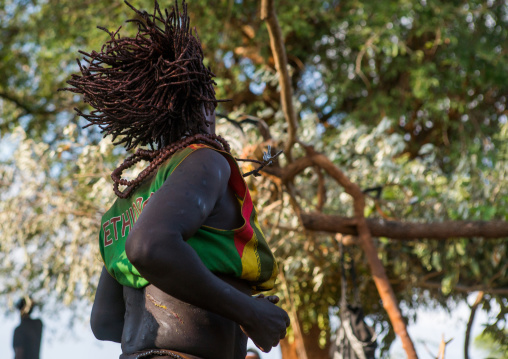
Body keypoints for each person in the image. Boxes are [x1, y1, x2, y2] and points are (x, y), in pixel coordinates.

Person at [62, 1, 290, 359]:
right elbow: (149, 247)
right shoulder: (205, 160)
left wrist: (230, 309)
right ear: (204, 106)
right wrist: (250, 312)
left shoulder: (127, 201)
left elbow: (105, 322)